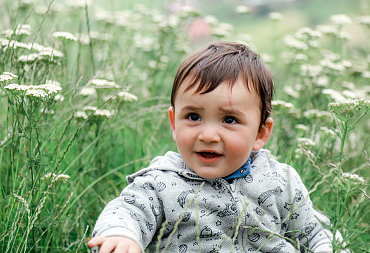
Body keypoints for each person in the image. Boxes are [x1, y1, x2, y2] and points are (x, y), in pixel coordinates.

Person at [88, 42, 334, 253]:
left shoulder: (282, 182)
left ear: (260, 133)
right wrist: (122, 235)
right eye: (193, 116)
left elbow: (315, 235)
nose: (207, 135)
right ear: (174, 123)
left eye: (229, 120)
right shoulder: (160, 184)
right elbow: (127, 211)